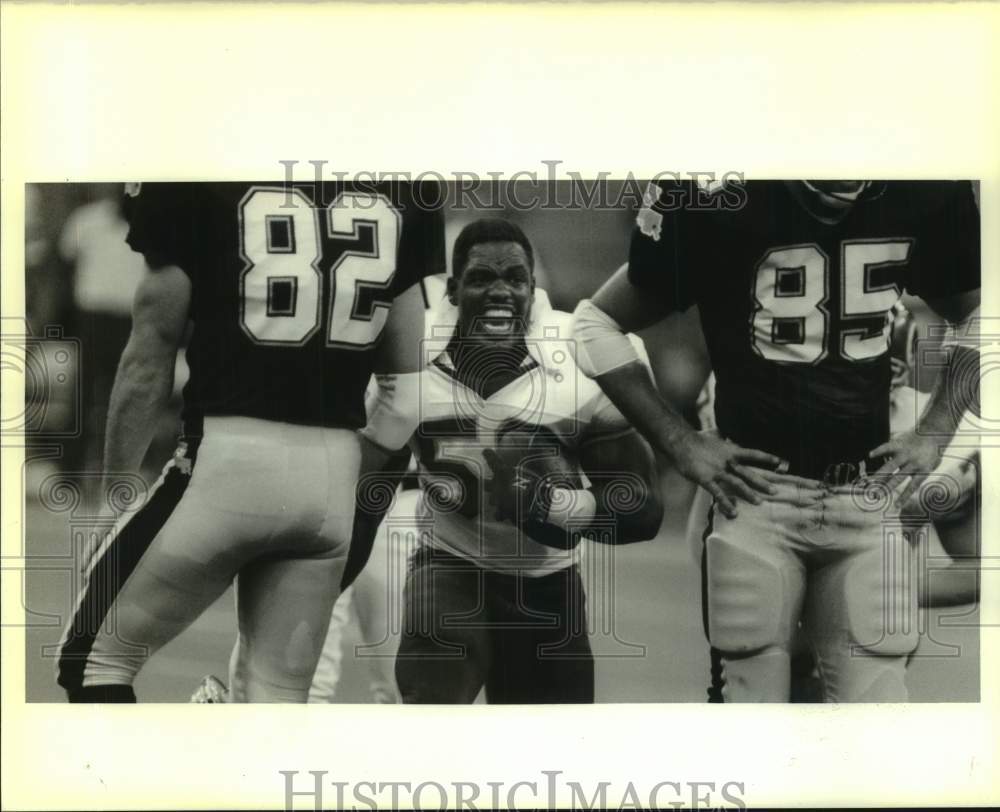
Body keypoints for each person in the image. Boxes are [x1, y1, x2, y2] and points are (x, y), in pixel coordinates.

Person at [573, 180, 980, 702]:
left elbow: (977, 312)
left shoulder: (918, 184)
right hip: (760, 497)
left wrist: (935, 432)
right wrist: (680, 442)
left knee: (881, 728)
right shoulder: (716, 188)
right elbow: (595, 322)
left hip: (865, 496)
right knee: (755, 715)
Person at [56, 180, 445, 702]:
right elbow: (406, 397)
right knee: (272, 702)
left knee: (93, 662)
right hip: (330, 482)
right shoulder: (403, 185)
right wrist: (351, 504)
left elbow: (150, 354)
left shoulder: (196, 173)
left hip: (222, 464)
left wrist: (115, 496)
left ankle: (143, 783)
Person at [357, 217, 663, 703]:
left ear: (533, 287)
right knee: (433, 700)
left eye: (515, 278)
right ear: (453, 290)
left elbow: (642, 508)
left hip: (546, 577)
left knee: (548, 755)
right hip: (448, 558)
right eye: (481, 278)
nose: (500, 291)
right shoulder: (409, 348)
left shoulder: (576, 355)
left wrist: (553, 506)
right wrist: (333, 570)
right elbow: (372, 482)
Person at [685, 302, 980, 701]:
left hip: (874, 614)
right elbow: (705, 534)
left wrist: (884, 587)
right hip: (767, 587)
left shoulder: (933, 435)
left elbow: (982, 569)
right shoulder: (749, 400)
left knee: (867, 724)